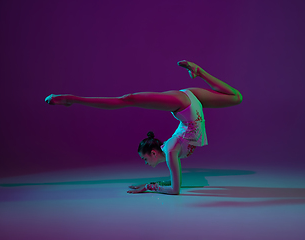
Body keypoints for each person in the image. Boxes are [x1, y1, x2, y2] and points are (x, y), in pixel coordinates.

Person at [45, 60, 243, 195]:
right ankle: (199, 72)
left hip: (184, 103)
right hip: (191, 101)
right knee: (236, 98)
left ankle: (71, 99)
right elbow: (175, 185)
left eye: (144, 158)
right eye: (144, 159)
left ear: (154, 152)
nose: (145, 163)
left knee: (128, 99)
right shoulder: (171, 150)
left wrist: (148, 186)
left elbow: (175, 187)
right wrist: (149, 186)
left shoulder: (172, 150)